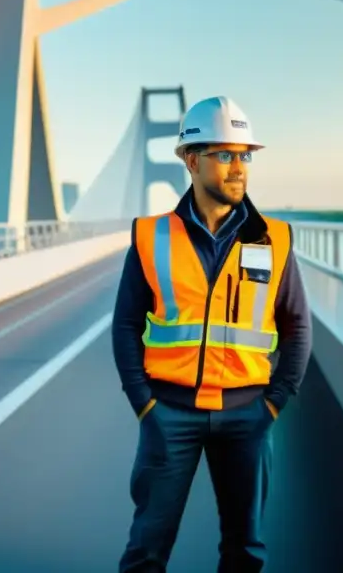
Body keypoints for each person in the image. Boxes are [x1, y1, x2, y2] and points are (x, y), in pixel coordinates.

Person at [111, 95, 313, 573]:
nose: (238, 167)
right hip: (169, 414)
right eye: (225, 155)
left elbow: (297, 326)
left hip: (248, 415)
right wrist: (145, 403)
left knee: (244, 553)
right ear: (191, 160)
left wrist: (274, 403)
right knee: (146, 551)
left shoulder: (275, 239)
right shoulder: (150, 236)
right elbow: (125, 324)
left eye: (245, 156)